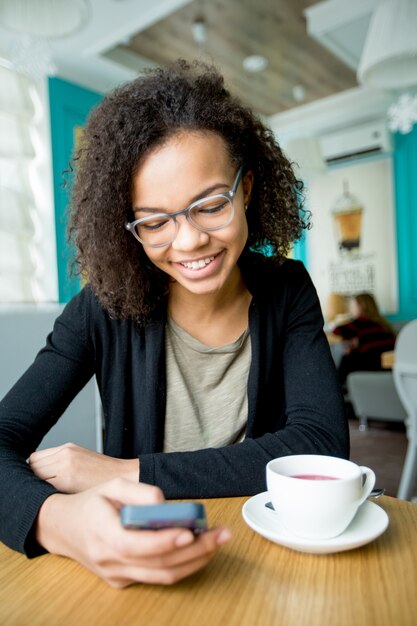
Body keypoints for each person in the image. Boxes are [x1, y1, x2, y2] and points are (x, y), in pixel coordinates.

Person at [0, 60, 349, 587]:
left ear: (247, 189)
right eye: (156, 222)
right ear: (128, 228)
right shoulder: (102, 307)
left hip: (266, 561)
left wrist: (127, 472)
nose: (188, 242)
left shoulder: (287, 290)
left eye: (210, 205)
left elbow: (320, 443)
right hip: (138, 563)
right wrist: (59, 521)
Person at [332, 292, 396, 385]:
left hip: (370, 365)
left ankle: (337, 387)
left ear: (361, 306)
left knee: (349, 357)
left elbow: (336, 331)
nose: (351, 308)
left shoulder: (358, 323)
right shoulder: (383, 325)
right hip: (387, 367)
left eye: (353, 305)